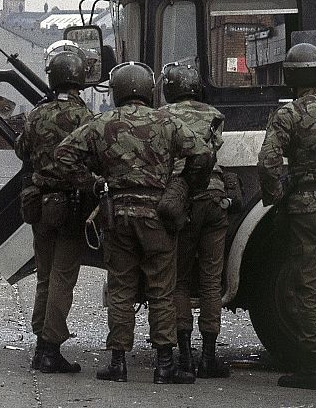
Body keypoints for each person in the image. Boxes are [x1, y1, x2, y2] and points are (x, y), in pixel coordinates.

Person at [54, 61, 213, 384]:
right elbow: (203, 153)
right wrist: (183, 187)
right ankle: (165, 364)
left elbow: (63, 155)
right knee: (161, 289)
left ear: (117, 93)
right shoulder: (166, 122)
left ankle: (118, 363)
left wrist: (94, 183)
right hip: (158, 216)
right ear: (150, 91)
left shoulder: (102, 123)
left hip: (117, 216)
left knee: (121, 289)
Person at [257, 43, 316, 390]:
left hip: (307, 212)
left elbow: (268, 162)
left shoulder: (289, 115)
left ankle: (310, 369)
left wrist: (277, 198)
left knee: (309, 287)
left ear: (291, 77)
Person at [14, 46, 93, 373]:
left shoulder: (37, 114)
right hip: (69, 206)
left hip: (39, 205)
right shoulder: (84, 116)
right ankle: (50, 348)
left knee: (45, 276)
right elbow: (95, 155)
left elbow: (22, 150)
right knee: (63, 277)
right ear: (78, 79)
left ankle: (40, 343)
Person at [159, 63, 230, 381]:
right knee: (211, 282)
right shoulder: (215, 113)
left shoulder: (162, 115)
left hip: (183, 199)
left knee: (181, 281)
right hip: (214, 197)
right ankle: (209, 357)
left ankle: (185, 355)